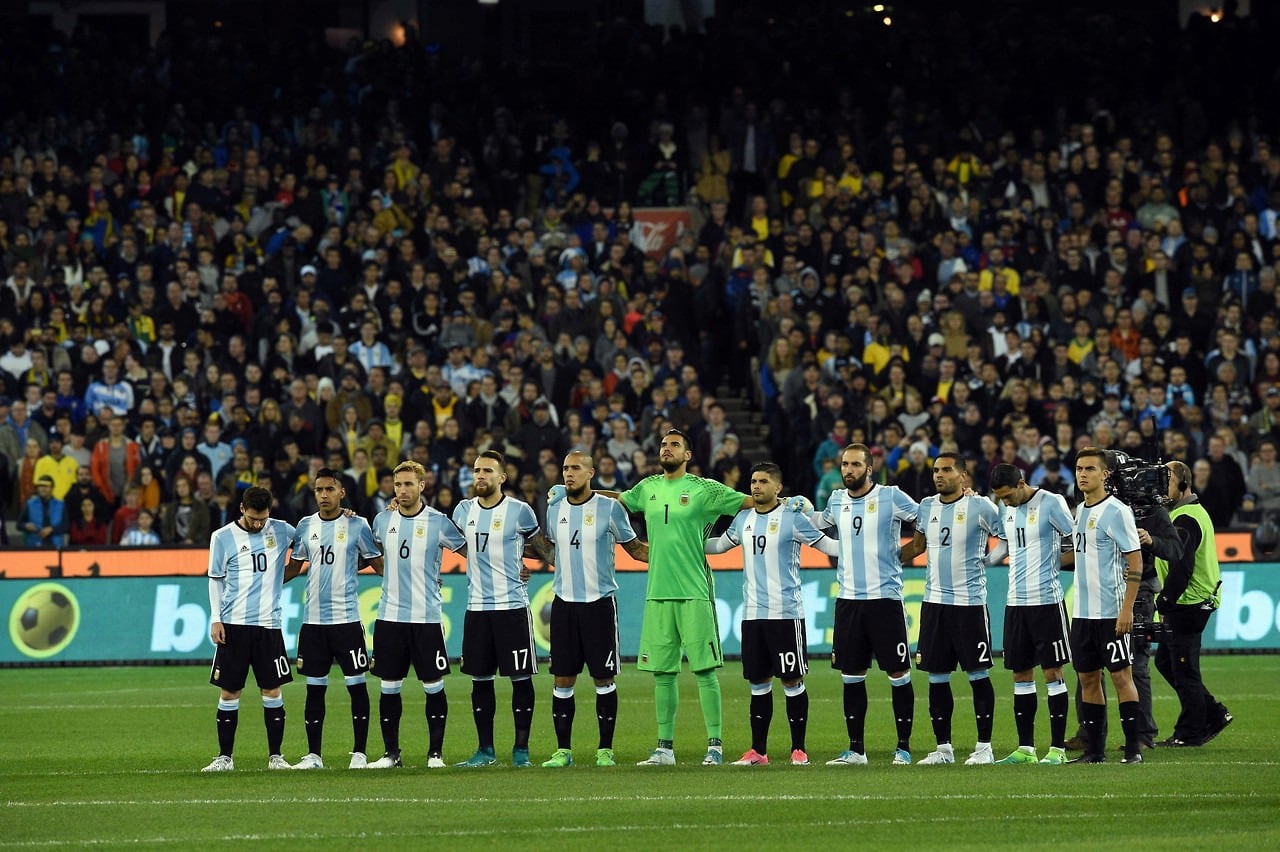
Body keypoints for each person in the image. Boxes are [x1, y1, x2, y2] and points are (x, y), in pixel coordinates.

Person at [613, 428, 754, 767]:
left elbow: (749, 502)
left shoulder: (704, 490)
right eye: (663, 444)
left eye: (674, 445)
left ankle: (715, 746)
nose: (666, 449)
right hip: (658, 592)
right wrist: (582, 491)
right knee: (663, 673)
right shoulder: (647, 488)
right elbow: (618, 499)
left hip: (694, 591)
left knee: (704, 671)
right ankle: (664, 749)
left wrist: (787, 501)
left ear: (688, 455)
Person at [704, 462, 838, 767]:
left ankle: (798, 749)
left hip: (785, 614)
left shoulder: (792, 518)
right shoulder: (743, 518)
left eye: (763, 481)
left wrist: (864, 546)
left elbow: (827, 545)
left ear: (778, 487)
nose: (756, 486)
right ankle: (758, 752)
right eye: (753, 481)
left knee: (792, 681)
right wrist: (683, 543)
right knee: (758, 683)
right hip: (752, 616)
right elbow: (720, 545)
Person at [540, 450, 649, 768]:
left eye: (575, 468)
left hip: (599, 605)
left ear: (591, 473)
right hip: (563, 605)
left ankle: (605, 750)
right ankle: (563, 751)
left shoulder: (610, 508)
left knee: (603, 679)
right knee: (562, 679)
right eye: (565, 468)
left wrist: (674, 552)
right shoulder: (554, 508)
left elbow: (635, 550)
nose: (568, 473)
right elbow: (552, 551)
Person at [815, 443, 920, 766]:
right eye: (845, 464)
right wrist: (790, 509)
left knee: (898, 672)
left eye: (855, 465)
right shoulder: (836, 500)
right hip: (848, 602)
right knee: (851, 674)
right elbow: (817, 525)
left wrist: (903, 555)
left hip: (885, 600)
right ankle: (856, 749)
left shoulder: (891, 496)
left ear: (869, 469)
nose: (848, 470)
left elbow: (927, 518)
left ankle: (903, 747)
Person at [452, 450, 554, 767]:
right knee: (480, 680)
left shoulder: (520, 511)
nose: (479, 476)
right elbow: (450, 543)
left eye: (487, 471)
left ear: (502, 478)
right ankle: (485, 750)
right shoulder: (462, 510)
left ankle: (521, 749)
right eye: (476, 470)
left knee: (520, 679)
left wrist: (534, 565)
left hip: (511, 607)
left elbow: (544, 550)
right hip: (477, 609)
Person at [899, 452, 1002, 766]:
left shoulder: (981, 506)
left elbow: (1007, 537)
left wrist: (989, 561)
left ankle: (984, 747)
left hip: (969, 605)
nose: (939, 475)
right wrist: (884, 561)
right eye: (935, 471)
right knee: (937, 676)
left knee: (977, 674)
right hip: (934, 605)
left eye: (946, 470)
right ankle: (943, 749)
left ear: (963, 475)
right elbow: (917, 546)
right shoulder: (927, 506)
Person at [366, 460, 466, 769]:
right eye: (398, 485)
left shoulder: (438, 521)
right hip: (389, 617)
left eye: (409, 484)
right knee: (388, 685)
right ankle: (390, 754)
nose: (403, 490)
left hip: (426, 618)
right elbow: (373, 554)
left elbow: (469, 551)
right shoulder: (382, 520)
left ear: (422, 486)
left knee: (433, 685)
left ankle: (435, 754)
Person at [284, 468, 382, 770]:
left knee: (357, 685)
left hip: (347, 620)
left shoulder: (358, 525)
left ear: (342, 492)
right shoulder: (304, 526)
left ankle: (360, 753)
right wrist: (259, 579)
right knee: (314, 688)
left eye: (329, 489)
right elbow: (293, 568)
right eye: (318, 490)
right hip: (313, 623)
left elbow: (380, 566)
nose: (323, 495)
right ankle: (314, 755)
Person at [201, 486, 298, 772]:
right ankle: (224, 758)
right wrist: (215, 618)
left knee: (272, 689)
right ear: (242, 509)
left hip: (268, 625)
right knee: (229, 692)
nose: (259, 524)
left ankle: (276, 757)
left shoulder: (281, 530)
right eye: (254, 519)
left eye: (263, 519)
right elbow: (215, 579)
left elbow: (313, 537)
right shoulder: (222, 537)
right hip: (233, 625)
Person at [987, 463, 1076, 765]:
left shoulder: (1052, 503)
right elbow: (1004, 545)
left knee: (1052, 672)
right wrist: (985, 559)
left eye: (1008, 496)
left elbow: (1077, 541)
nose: (1006, 502)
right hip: (1016, 603)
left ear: (1022, 483)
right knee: (1020, 673)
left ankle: (1058, 749)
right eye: (1000, 498)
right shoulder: (1006, 509)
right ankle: (1026, 748)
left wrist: (1052, 563)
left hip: (1047, 602)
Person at [1067, 447, 1145, 764]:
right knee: (1088, 679)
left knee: (1120, 677)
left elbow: (1136, 560)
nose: (1082, 474)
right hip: (1082, 613)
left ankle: (1133, 749)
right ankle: (1095, 751)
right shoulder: (1079, 511)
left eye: (1089, 469)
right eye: (1078, 469)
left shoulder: (1116, 511)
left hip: (1111, 612)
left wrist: (1127, 609)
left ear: (1105, 474)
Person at [1153, 460, 1232, 747]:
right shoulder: (1190, 513)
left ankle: (1191, 732)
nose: (1163, 488)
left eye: (1169, 481)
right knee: (1166, 662)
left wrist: (1165, 600)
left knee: (1184, 669)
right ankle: (1212, 712)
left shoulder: (1184, 518)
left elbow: (1182, 567)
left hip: (1189, 601)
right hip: (1193, 599)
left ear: (1184, 485)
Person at [20, 475, 67, 547]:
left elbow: (66, 526)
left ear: (52, 488)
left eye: (46, 486)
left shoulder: (61, 505)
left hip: (55, 546)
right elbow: (19, 524)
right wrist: (25, 526)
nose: (43, 489)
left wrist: (52, 529)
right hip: (34, 545)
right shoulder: (30, 504)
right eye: (41, 486)